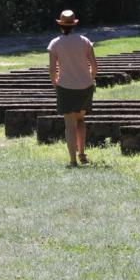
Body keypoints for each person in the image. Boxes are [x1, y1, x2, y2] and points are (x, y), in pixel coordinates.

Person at [47, 9, 98, 167]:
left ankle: (72, 161)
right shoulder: (85, 41)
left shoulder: (55, 43)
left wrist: (55, 83)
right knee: (81, 120)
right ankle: (82, 154)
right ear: (74, 24)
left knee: (70, 125)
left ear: (61, 25)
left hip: (66, 87)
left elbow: (52, 69)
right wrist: (90, 78)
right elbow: (94, 66)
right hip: (85, 86)